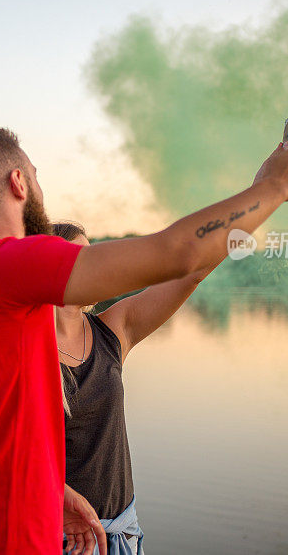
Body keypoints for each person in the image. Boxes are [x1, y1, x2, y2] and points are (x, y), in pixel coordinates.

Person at [0, 127, 288, 555]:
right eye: (35, 175)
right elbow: (176, 252)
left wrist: (54, 491)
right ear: (19, 182)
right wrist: (276, 186)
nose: (39, 188)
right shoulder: (5, 268)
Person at [54, 220, 221, 555]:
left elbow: (191, 273)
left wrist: (250, 210)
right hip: (61, 539)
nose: (94, 267)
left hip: (122, 533)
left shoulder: (112, 329)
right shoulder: (21, 349)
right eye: (79, 259)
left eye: (93, 257)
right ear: (49, 268)